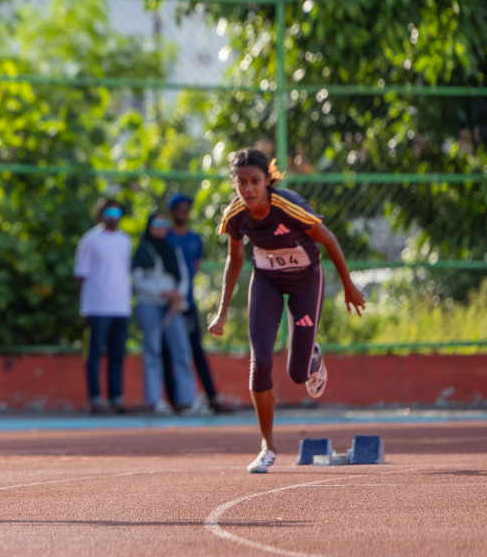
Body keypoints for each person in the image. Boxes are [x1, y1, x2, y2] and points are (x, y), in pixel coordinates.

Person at [209, 148, 366, 472]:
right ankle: (267, 447)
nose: (248, 189)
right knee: (261, 361)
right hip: (266, 280)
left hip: (305, 280)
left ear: (268, 180)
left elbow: (329, 239)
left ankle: (312, 356)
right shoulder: (235, 215)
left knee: (297, 375)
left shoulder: (288, 207)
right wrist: (222, 310)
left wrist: (349, 286)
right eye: (241, 182)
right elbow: (235, 258)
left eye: (255, 181)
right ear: (234, 183)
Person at [162, 193, 227, 412]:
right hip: (167, 305)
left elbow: (195, 267)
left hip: (187, 304)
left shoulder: (194, 239)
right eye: (178, 208)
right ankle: (174, 401)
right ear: (172, 212)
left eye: (186, 209)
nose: (183, 212)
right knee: (167, 353)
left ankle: (212, 396)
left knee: (196, 350)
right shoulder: (165, 238)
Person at [131, 212, 197, 414]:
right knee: (153, 351)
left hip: (173, 307)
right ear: (149, 226)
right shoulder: (142, 250)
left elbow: (184, 276)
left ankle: (188, 399)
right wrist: (162, 293)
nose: (160, 227)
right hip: (149, 304)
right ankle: (155, 400)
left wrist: (178, 296)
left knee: (182, 350)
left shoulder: (172, 249)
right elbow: (138, 281)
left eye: (164, 223)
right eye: (156, 223)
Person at [74, 199, 132, 413]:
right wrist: (85, 306)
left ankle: (116, 398)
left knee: (117, 355)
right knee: (95, 354)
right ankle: (95, 399)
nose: (113, 215)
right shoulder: (90, 240)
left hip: (120, 307)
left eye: (117, 211)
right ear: (100, 214)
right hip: (97, 307)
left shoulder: (126, 240)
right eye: (109, 211)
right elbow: (81, 274)